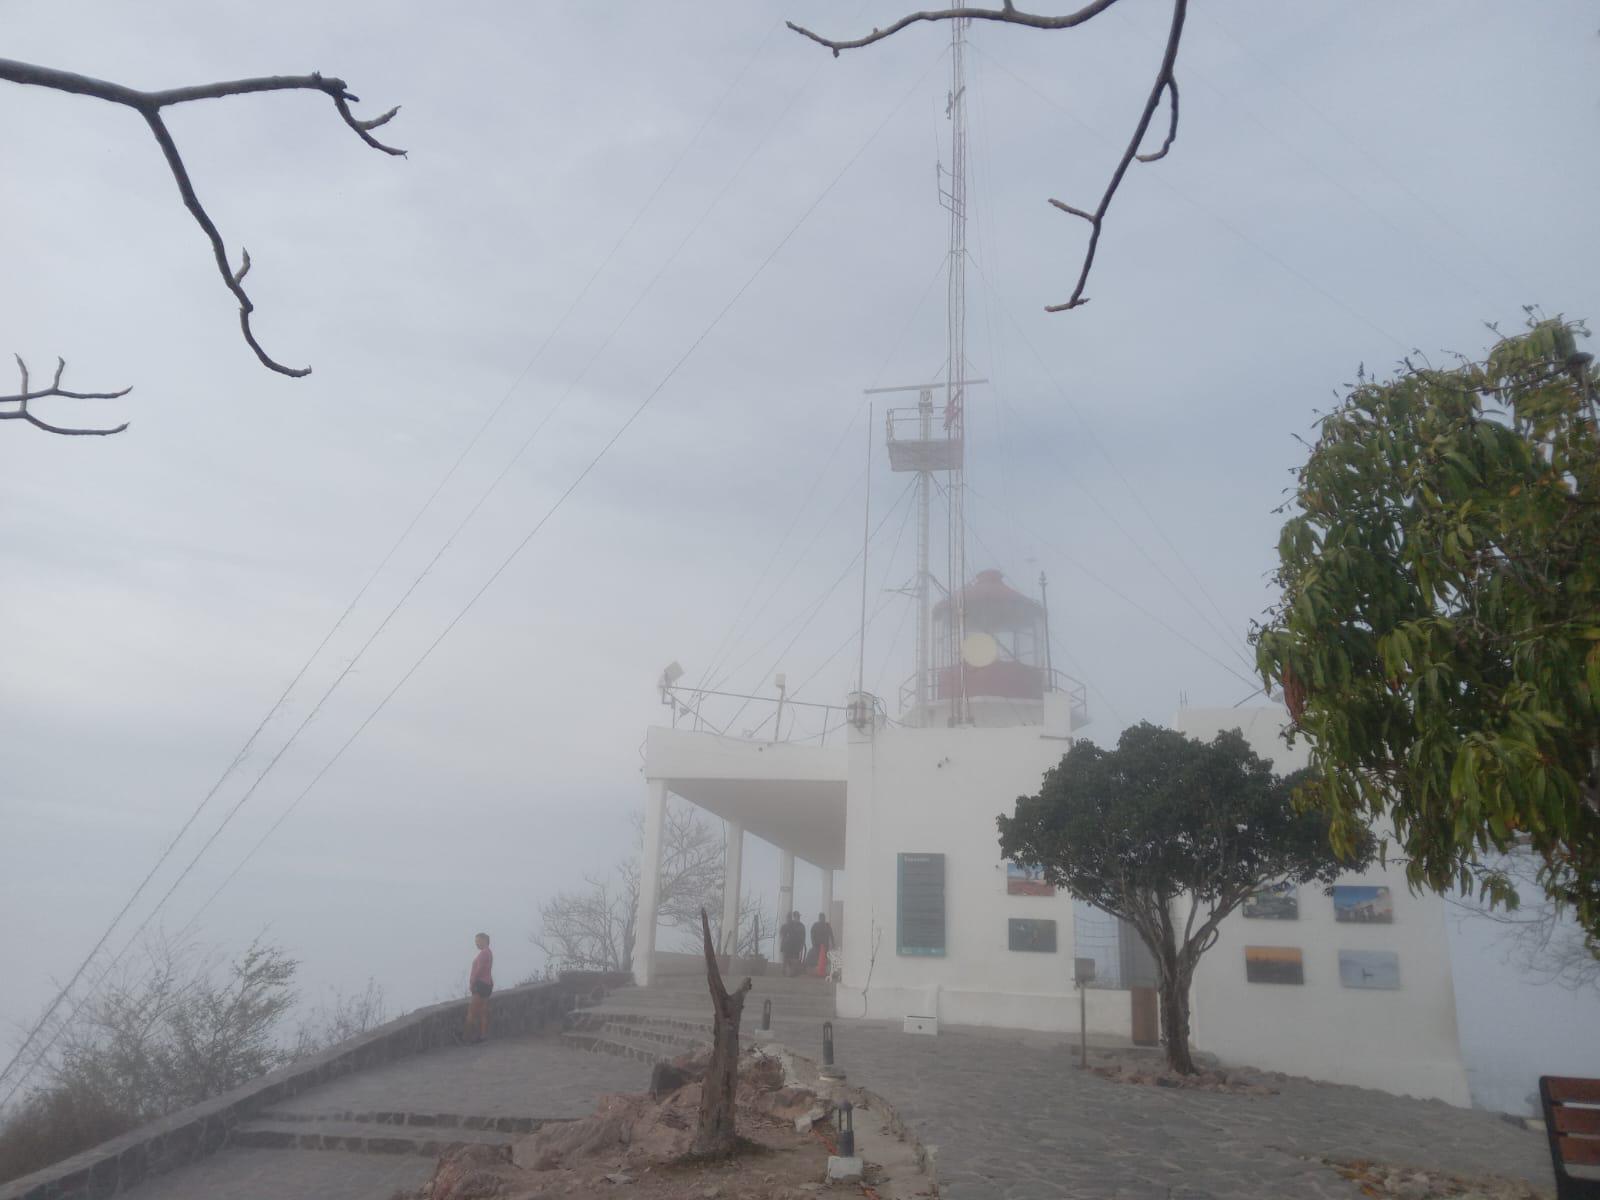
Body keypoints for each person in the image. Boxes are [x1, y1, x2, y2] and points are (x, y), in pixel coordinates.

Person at [464, 932, 493, 1043]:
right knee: (482, 1012)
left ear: (484, 940)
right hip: (487, 984)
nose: (476, 944)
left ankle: (467, 1037)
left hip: (480, 984)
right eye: (476, 942)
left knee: (472, 1011)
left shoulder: (483, 953)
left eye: (478, 941)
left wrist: (472, 982)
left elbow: (479, 969)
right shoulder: (489, 953)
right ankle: (483, 1035)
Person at [779, 911, 805, 978]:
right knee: (786, 962)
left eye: (798, 916)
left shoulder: (800, 926)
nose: (798, 918)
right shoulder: (786, 926)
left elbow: (802, 937)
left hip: (795, 948)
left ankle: (792, 973)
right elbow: (782, 935)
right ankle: (786, 973)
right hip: (787, 947)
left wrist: (801, 945)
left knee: (794, 962)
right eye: (797, 916)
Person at [810, 912, 835, 978]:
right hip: (817, 946)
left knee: (824, 959)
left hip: (825, 946)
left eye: (823, 917)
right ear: (819, 918)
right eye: (821, 917)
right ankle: (819, 972)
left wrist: (833, 943)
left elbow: (831, 935)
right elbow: (812, 934)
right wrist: (813, 943)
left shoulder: (827, 925)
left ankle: (822, 972)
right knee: (818, 959)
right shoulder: (815, 925)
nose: (822, 919)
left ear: (824, 918)